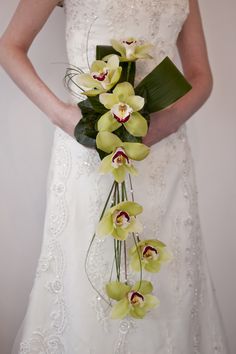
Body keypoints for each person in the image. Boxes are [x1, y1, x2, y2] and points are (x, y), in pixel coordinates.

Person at [0, 0, 229, 353]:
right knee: (90, 279)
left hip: (162, 156)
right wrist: (63, 116)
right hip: (90, 150)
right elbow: (10, 46)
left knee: (167, 282)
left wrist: (165, 125)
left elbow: (201, 76)